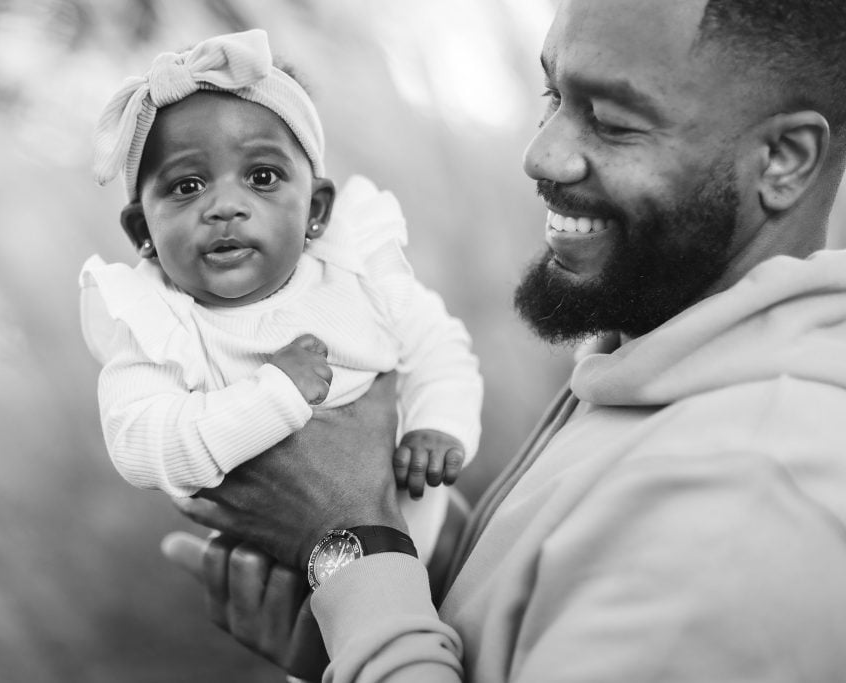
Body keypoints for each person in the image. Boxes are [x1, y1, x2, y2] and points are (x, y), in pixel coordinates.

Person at [163, 0, 846, 681]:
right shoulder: (658, 356)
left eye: (611, 122)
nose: (541, 153)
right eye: (552, 93)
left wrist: (352, 549)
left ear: (783, 159)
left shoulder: (749, 505)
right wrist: (420, 576)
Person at [78, 29, 483, 566]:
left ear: (315, 209)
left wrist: (440, 424)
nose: (224, 206)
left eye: (262, 176)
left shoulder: (356, 270)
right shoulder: (159, 325)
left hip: (446, 535)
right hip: (306, 584)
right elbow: (141, 445)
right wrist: (275, 395)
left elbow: (440, 347)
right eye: (186, 186)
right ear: (141, 232)